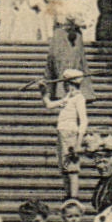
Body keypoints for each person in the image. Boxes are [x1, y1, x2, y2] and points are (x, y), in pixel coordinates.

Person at [44, 69, 89, 199]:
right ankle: (68, 196)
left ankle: (73, 198)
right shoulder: (68, 98)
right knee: (64, 168)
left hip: (70, 134)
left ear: (69, 84)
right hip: (62, 133)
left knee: (72, 168)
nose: (64, 86)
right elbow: (49, 105)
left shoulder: (79, 98)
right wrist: (43, 91)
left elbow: (84, 121)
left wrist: (78, 144)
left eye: (65, 83)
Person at [46, 16, 91, 97]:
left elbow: (83, 22)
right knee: (58, 62)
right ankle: (58, 91)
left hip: (73, 35)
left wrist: (78, 22)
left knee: (76, 63)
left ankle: (77, 92)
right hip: (61, 34)